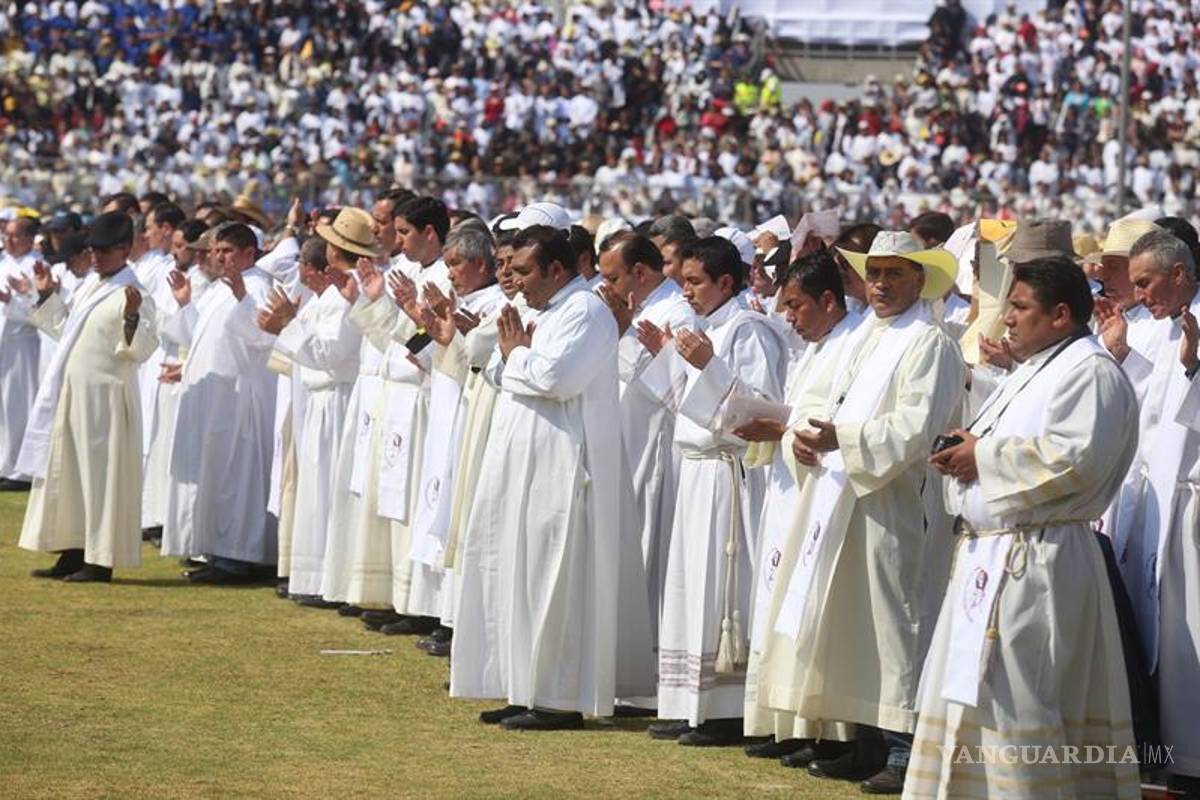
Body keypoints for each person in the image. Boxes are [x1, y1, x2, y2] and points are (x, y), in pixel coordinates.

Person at [911, 257, 1141, 798]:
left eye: (1019, 307)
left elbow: (1074, 460)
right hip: (991, 561)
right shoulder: (1036, 369)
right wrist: (962, 453)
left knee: (1025, 702)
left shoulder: (1091, 371)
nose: (1007, 319)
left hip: (1039, 563)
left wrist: (981, 457)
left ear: (1061, 314)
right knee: (977, 699)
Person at [755, 231, 964, 793]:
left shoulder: (931, 341)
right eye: (874, 273)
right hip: (843, 491)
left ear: (919, 279)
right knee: (850, 620)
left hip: (893, 499)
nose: (881, 284)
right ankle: (863, 740)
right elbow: (823, 400)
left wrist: (838, 439)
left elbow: (916, 430)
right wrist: (804, 436)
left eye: (894, 273)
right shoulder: (864, 336)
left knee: (895, 619)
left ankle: (902, 749)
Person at [459, 224, 624, 731]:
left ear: (558, 268)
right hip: (520, 461)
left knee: (555, 577)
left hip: (561, 465)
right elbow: (487, 367)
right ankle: (522, 685)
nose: (516, 281)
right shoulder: (536, 310)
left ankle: (557, 697)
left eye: (525, 271)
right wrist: (514, 359)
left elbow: (557, 379)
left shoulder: (586, 311)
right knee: (515, 572)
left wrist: (517, 357)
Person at [635, 236, 789, 746]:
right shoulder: (704, 328)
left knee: (720, 587)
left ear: (728, 281)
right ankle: (688, 703)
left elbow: (762, 408)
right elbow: (679, 402)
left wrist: (708, 366)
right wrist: (670, 359)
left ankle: (724, 709)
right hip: (696, 471)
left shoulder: (749, 330)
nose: (688, 291)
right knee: (688, 583)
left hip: (729, 475)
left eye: (697, 282)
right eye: (684, 281)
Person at [735, 250, 864, 761]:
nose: (788, 318)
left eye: (796, 306)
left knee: (812, 608)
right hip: (790, 487)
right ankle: (783, 721)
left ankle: (821, 731)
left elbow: (832, 422)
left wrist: (780, 428)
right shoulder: (817, 345)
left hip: (822, 490)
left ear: (828, 300)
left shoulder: (852, 344)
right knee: (780, 603)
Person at [1103, 230, 1200, 793]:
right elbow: (1151, 412)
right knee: (1160, 634)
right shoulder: (1166, 329)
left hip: (1190, 504)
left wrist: (1194, 368)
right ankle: (1167, 754)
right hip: (1156, 501)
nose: (1138, 294)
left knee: (1190, 636)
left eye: (1145, 281)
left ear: (1180, 273)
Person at [17, 211, 158, 582]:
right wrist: (47, 294)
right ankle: (72, 550)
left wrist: (130, 317)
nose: (94, 257)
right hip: (75, 394)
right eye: (92, 249)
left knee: (100, 479)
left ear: (125, 249)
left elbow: (142, 348)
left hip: (106, 401)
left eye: (104, 250)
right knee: (70, 478)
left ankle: (99, 559)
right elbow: (66, 331)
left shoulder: (134, 291)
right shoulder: (92, 285)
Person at [349, 196, 452, 635]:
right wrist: (378, 302)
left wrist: (404, 320)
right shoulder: (409, 271)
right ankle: (403, 597)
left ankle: (423, 604)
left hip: (426, 399)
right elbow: (394, 336)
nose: (398, 239)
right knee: (397, 500)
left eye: (406, 232)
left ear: (431, 233)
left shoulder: (445, 276)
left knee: (420, 501)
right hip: (399, 396)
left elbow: (431, 338)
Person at [596, 231, 695, 686]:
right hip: (623, 435)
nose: (606, 286)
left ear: (639, 272)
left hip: (654, 445)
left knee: (648, 546)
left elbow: (676, 386)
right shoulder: (631, 308)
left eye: (612, 277)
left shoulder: (677, 311)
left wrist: (632, 338)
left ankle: (649, 666)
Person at [405, 223, 506, 653]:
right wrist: (424, 326)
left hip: (471, 414)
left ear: (480, 263)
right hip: (447, 409)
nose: (450, 274)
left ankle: (454, 619)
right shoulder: (461, 302)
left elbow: (479, 364)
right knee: (442, 510)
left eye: (455, 264)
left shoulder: (496, 304)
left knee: (459, 511)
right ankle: (443, 614)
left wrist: (452, 336)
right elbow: (421, 354)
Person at [162, 223, 279, 584]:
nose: (217, 257)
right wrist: (184, 305)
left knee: (236, 477)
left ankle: (237, 556)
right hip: (213, 398)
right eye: (215, 251)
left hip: (240, 399)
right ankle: (216, 549)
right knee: (213, 474)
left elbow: (263, 337)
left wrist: (245, 298)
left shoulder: (259, 286)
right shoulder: (217, 289)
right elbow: (200, 336)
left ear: (248, 253)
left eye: (226, 251)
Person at [260, 227, 368, 605]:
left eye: (305, 265)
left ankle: (329, 580)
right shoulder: (325, 300)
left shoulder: (341, 300)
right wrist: (288, 324)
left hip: (336, 401)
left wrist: (290, 323)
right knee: (314, 491)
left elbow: (330, 354)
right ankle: (315, 576)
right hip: (319, 401)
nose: (301, 273)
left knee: (328, 491)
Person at [141, 219, 211, 540]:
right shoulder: (175, 274)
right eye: (177, 245)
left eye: (183, 246)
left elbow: (190, 328)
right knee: (160, 444)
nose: (176, 251)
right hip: (165, 362)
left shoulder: (203, 282)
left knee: (174, 445)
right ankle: (155, 513)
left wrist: (158, 315)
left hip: (185, 364)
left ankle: (170, 519)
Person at [0, 217, 43, 490]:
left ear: (29, 238)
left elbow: (38, 311)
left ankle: (19, 470)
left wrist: (12, 301)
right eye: (7, 235)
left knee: (18, 405)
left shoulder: (36, 266)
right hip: (3, 343)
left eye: (15, 236)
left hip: (22, 343)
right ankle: (3, 462)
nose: (9, 241)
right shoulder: (3, 263)